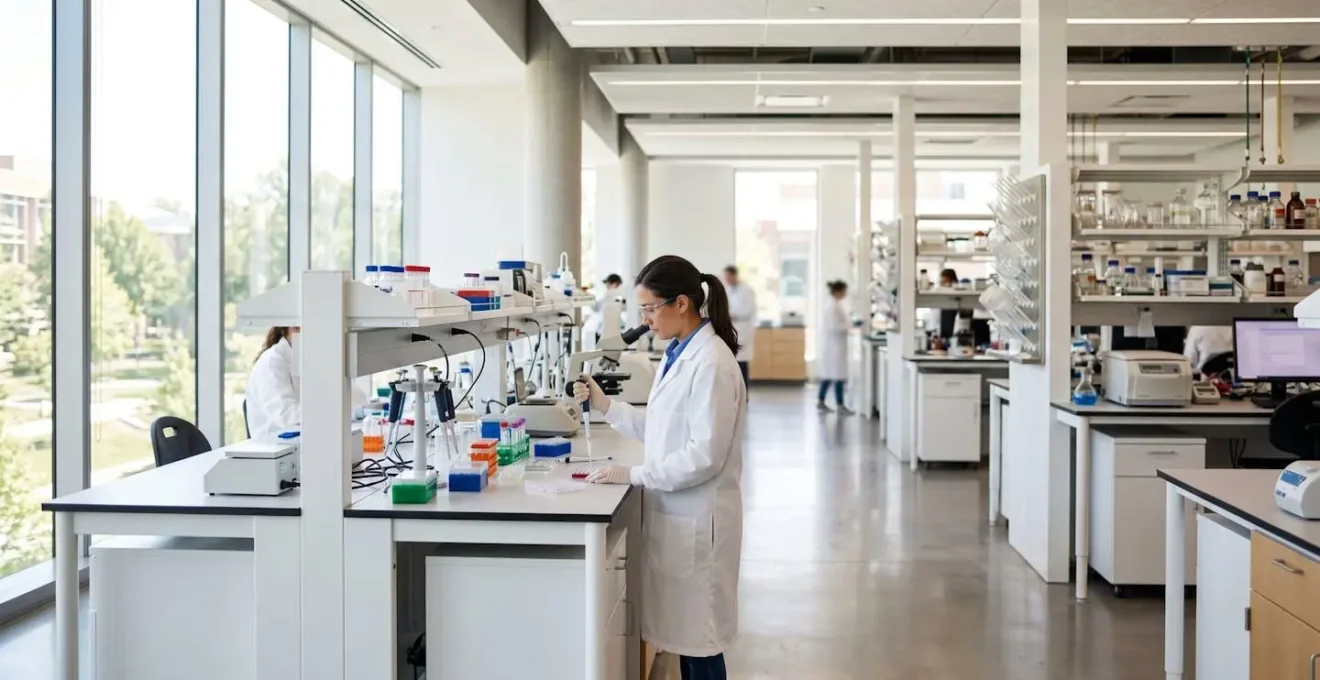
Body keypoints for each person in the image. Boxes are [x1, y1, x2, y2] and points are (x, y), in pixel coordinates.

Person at [573, 255, 746, 680]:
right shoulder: (679, 351)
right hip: (680, 516)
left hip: (699, 522)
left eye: (651, 308)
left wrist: (632, 474)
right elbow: (664, 426)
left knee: (701, 647)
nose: (646, 319)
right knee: (691, 643)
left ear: (682, 303)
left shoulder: (712, 363)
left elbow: (704, 454)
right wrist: (605, 405)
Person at [246, 326, 301, 438]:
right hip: (274, 446)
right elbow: (288, 417)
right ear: (294, 329)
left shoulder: (300, 359)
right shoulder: (271, 361)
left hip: (299, 444)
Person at [818, 280, 853, 414]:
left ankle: (821, 401)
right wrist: (850, 324)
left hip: (833, 345)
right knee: (837, 376)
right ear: (838, 291)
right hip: (835, 346)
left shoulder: (834, 305)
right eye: (844, 291)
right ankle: (840, 405)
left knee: (829, 375)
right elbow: (835, 327)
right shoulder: (834, 307)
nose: (845, 293)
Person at [722, 265, 756, 384]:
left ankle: (744, 393)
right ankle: (735, 393)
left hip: (743, 328)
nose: (726, 279)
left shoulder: (747, 290)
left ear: (734, 275)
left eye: (728, 277)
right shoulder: (727, 290)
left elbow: (749, 310)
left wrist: (734, 315)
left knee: (742, 362)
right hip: (731, 328)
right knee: (732, 362)